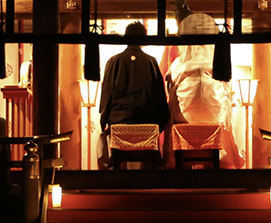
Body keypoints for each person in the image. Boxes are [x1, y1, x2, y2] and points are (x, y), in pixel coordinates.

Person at [165, 12, 244, 168]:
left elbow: (170, 89)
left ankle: (179, 161)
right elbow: (228, 91)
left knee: (174, 107)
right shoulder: (218, 66)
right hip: (214, 120)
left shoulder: (179, 65)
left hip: (185, 120)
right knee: (224, 109)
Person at [98, 21, 171, 168]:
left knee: (104, 138)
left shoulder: (114, 61)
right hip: (147, 120)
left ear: (125, 38)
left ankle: (114, 173)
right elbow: (159, 95)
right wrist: (162, 122)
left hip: (119, 121)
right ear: (144, 39)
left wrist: (104, 119)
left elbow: (107, 93)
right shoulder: (151, 62)